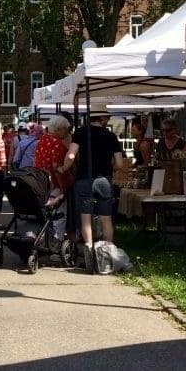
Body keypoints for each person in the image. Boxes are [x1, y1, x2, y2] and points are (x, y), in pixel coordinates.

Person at [63, 112, 125, 270]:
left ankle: (89, 253)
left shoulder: (81, 133)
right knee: (106, 219)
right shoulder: (111, 136)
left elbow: (71, 155)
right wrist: (108, 169)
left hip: (84, 181)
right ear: (103, 118)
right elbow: (119, 164)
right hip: (104, 181)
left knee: (86, 219)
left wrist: (64, 168)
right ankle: (108, 254)